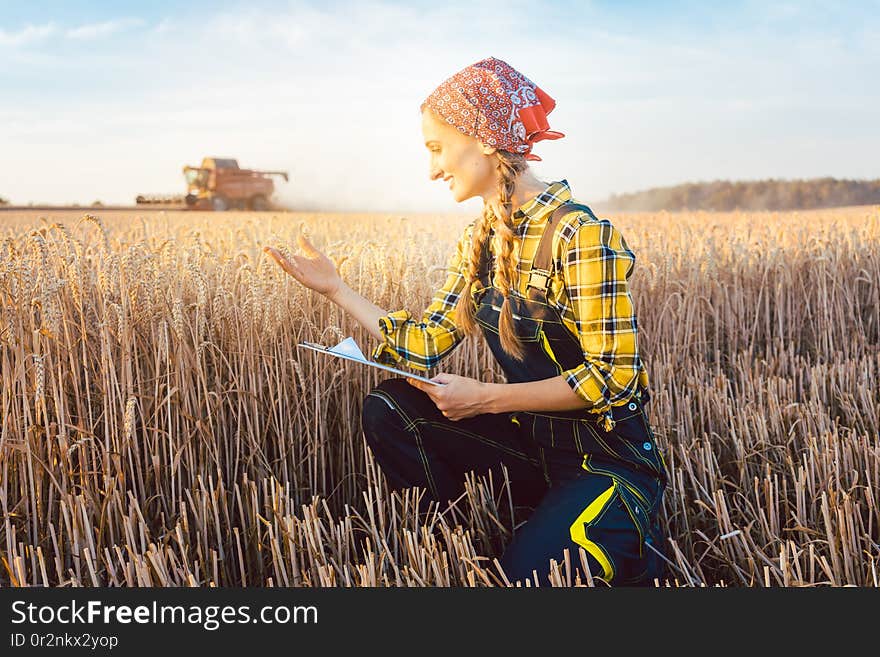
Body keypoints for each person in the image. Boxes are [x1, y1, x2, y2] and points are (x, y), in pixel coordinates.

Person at [264, 56, 668, 587]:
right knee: (390, 408)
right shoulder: (478, 239)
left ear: (482, 138)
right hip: (534, 448)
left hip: (605, 461)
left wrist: (485, 398)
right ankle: (468, 547)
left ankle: (580, 539)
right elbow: (426, 341)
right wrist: (338, 290)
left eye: (436, 148)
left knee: (521, 585)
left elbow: (614, 378)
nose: (432, 169)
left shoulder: (579, 235)